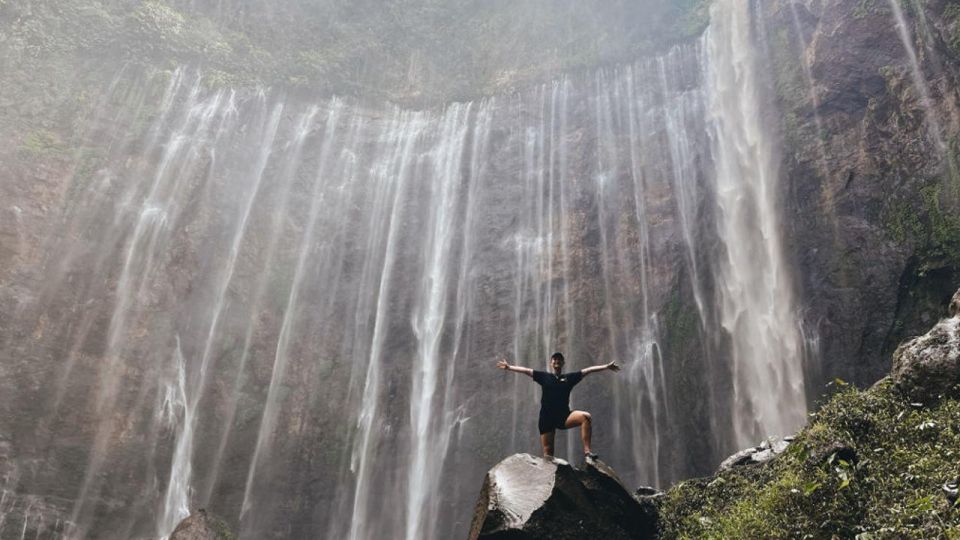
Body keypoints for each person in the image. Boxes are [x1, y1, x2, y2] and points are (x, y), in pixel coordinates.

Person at [497, 352, 620, 459]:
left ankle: (587, 453)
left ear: (563, 363)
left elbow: (588, 370)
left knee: (585, 417)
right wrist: (509, 367)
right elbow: (526, 371)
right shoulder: (544, 377)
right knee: (548, 454)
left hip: (564, 417)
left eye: (559, 359)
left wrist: (606, 366)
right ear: (551, 363)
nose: (557, 361)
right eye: (554, 359)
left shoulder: (569, 378)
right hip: (546, 418)